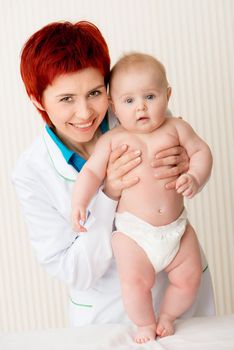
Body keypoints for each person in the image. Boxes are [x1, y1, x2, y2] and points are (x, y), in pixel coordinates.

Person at [12, 21, 215, 332]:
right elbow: (75, 271)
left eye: (94, 93)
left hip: (181, 289)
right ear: (37, 99)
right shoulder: (31, 173)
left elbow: (185, 150)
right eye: (67, 99)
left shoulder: (135, 108)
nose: (85, 113)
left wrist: (190, 166)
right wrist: (108, 194)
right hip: (109, 315)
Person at [71, 52, 213, 343]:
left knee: (190, 279)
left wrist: (195, 177)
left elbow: (201, 152)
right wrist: (79, 202)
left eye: (150, 96)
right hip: (134, 234)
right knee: (134, 283)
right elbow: (90, 173)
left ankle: (168, 316)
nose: (141, 108)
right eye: (129, 101)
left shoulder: (177, 129)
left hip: (176, 229)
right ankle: (145, 324)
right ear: (114, 107)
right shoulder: (113, 140)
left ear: (167, 95)